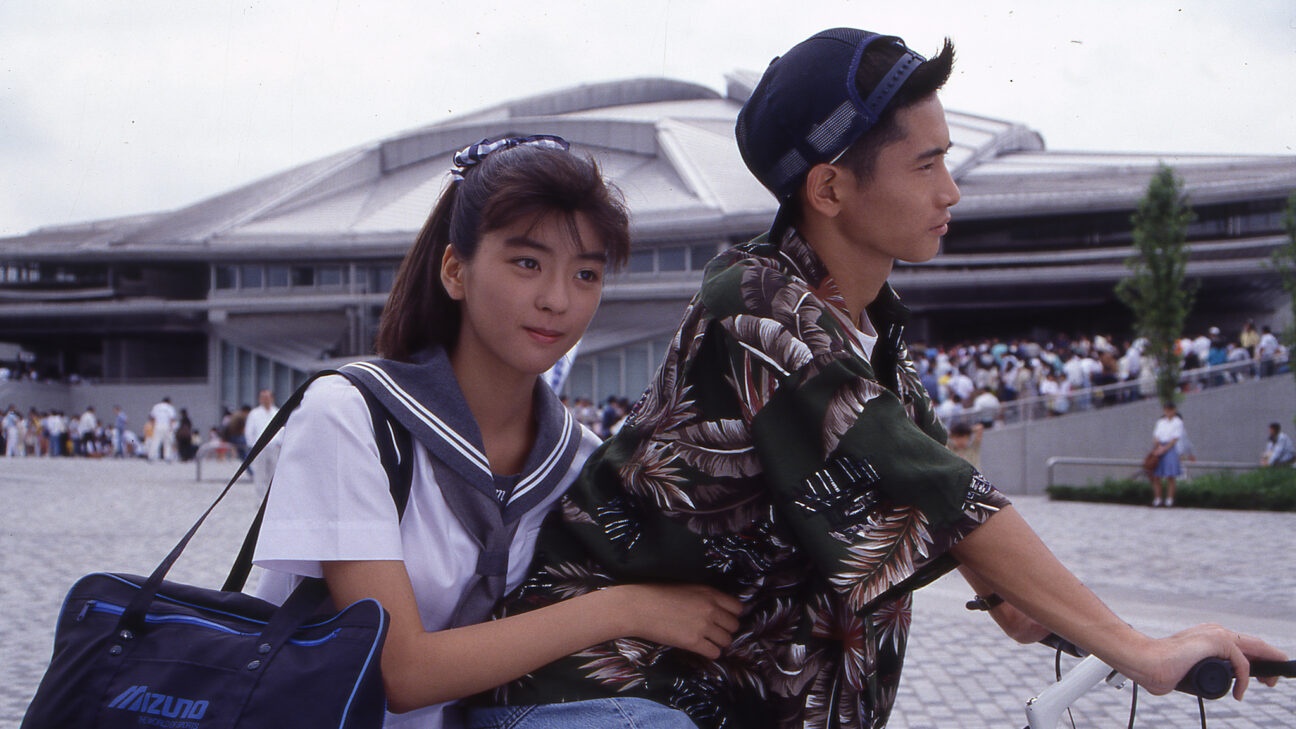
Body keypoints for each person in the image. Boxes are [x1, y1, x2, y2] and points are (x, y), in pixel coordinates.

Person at [472, 29, 1286, 729]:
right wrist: (1141, 650)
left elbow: (997, 579)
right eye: (925, 165)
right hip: (595, 697)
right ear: (830, 187)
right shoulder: (757, 307)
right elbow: (946, 492)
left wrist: (1171, 643)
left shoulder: (878, 348)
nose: (950, 190)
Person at [251, 135, 742, 729]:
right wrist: (626, 609)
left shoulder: (578, 462)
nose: (557, 300)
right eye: (527, 263)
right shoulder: (353, 415)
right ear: (455, 271)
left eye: (586, 273)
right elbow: (396, 673)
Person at [243, 388, 281, 496]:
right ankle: (260, 498)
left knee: (273, 475)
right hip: (259, 448)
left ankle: (271, 498)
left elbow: (282, 430)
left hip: (274, 447)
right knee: (259, 474)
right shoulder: (254, 413)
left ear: (272, 398)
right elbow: (249, 431)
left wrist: (280, 443)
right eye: (263, 397)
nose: (265, 399)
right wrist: (253, 446)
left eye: (267, 397)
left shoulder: (277, 412)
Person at [1150, 403, 1185, 507]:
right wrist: (1159, 447)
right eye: (1166, 410)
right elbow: (1155, 436)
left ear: (1174, 410)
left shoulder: (1178, 422)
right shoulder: (1160, 422)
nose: (1168, 412)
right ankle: (1158, 499)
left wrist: (1164, 449)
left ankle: (1170, 500)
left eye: (1170, 409)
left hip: (1170, 448)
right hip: (1159, 447)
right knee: (1156, 476)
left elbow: (1175, 438)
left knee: (1170, 476)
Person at [148, 396, 177, 462]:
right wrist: (172, 428)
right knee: (167, 442)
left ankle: (151, 456)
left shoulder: (156, 407)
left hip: (157, 425)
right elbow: (171, 419)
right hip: (167, 426)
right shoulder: (170, 407)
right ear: (168, 401)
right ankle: (167, 457)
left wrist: (153, 425)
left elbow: (152, 417)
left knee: (155, 441)